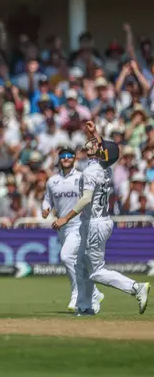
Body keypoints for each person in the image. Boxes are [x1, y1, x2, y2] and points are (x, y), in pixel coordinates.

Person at [53, 122, 150, 316]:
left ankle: (136, 287)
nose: (92, 144)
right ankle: (85, 305)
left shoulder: (91, 172)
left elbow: (86, 199)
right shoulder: (105, 169)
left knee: (96, 271)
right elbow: (105, 151)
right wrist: (95, 133)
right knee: (79, 264)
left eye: (97, 145)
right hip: (96, 221)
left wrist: (65, 218)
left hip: (95, 224)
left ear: (101, 154)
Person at [43, 147, 103, 312]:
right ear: (59, 159)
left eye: (70, 156)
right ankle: (94, 292)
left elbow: (88, 199)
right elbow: (47, 200)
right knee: (78, 262)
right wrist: (46, 208)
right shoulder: (52, 181)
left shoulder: (82, 177)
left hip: (79, 224)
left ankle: (77, 294)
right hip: (62, 227)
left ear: (75, 159)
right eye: (63, 156)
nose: (66, 158)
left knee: (66, 256)